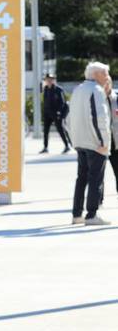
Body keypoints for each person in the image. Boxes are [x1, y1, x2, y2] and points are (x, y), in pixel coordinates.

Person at [67, 62, 112, 226]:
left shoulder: (78, 89)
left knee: (82, 178)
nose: (108, 77)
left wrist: (74, 139)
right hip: (95, 143)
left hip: (80, 142)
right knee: (95, 179)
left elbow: (68, 120)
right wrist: (104, 141)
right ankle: (91, 214)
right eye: (105, 73)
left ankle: (77, 214)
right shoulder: (96, 90)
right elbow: (100, 118)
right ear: (97, 74)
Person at [41, 73, 70, 154]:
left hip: (56, 113)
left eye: (51, 79)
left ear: (54, 80)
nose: (49, 81)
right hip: (47, 113)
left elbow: (62, 102)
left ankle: (67, 145)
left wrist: (59, 112)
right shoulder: (46, 89)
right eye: (47, 79)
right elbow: (45, 101)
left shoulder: (58, 89)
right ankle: (45, 147)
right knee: (45, 131)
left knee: (60, 129)